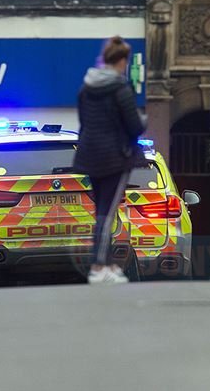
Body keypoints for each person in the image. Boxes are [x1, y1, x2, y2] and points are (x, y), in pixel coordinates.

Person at [74, 36, 147, 285]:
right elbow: (135, 126)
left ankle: (105, 263)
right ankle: (98, 266)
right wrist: (143, 121)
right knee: (107, 212)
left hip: (90, 155)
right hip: (115, 158)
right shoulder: (120, 89)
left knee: (101, 212)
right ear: (122, 61)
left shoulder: (86, 87)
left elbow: (84, 122)